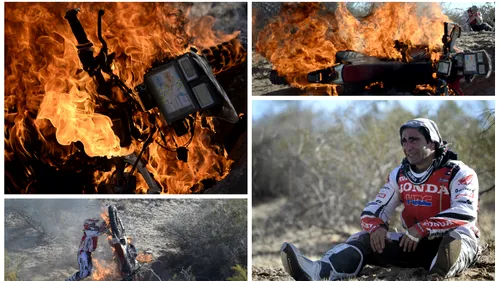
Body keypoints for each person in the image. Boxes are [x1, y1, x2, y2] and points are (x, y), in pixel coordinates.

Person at [281, 118, 480, 281]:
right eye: (404, 141)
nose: (407, 146)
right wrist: (377, 226)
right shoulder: (399, 174)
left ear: (432, 143)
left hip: (449, 241)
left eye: (414, 140)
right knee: (363, 238)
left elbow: (465, 211)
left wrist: (422, 228)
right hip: (412, 243)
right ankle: (318, 271)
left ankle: (437, 275)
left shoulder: (459, 172)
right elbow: (375, 207)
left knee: (458, 236)